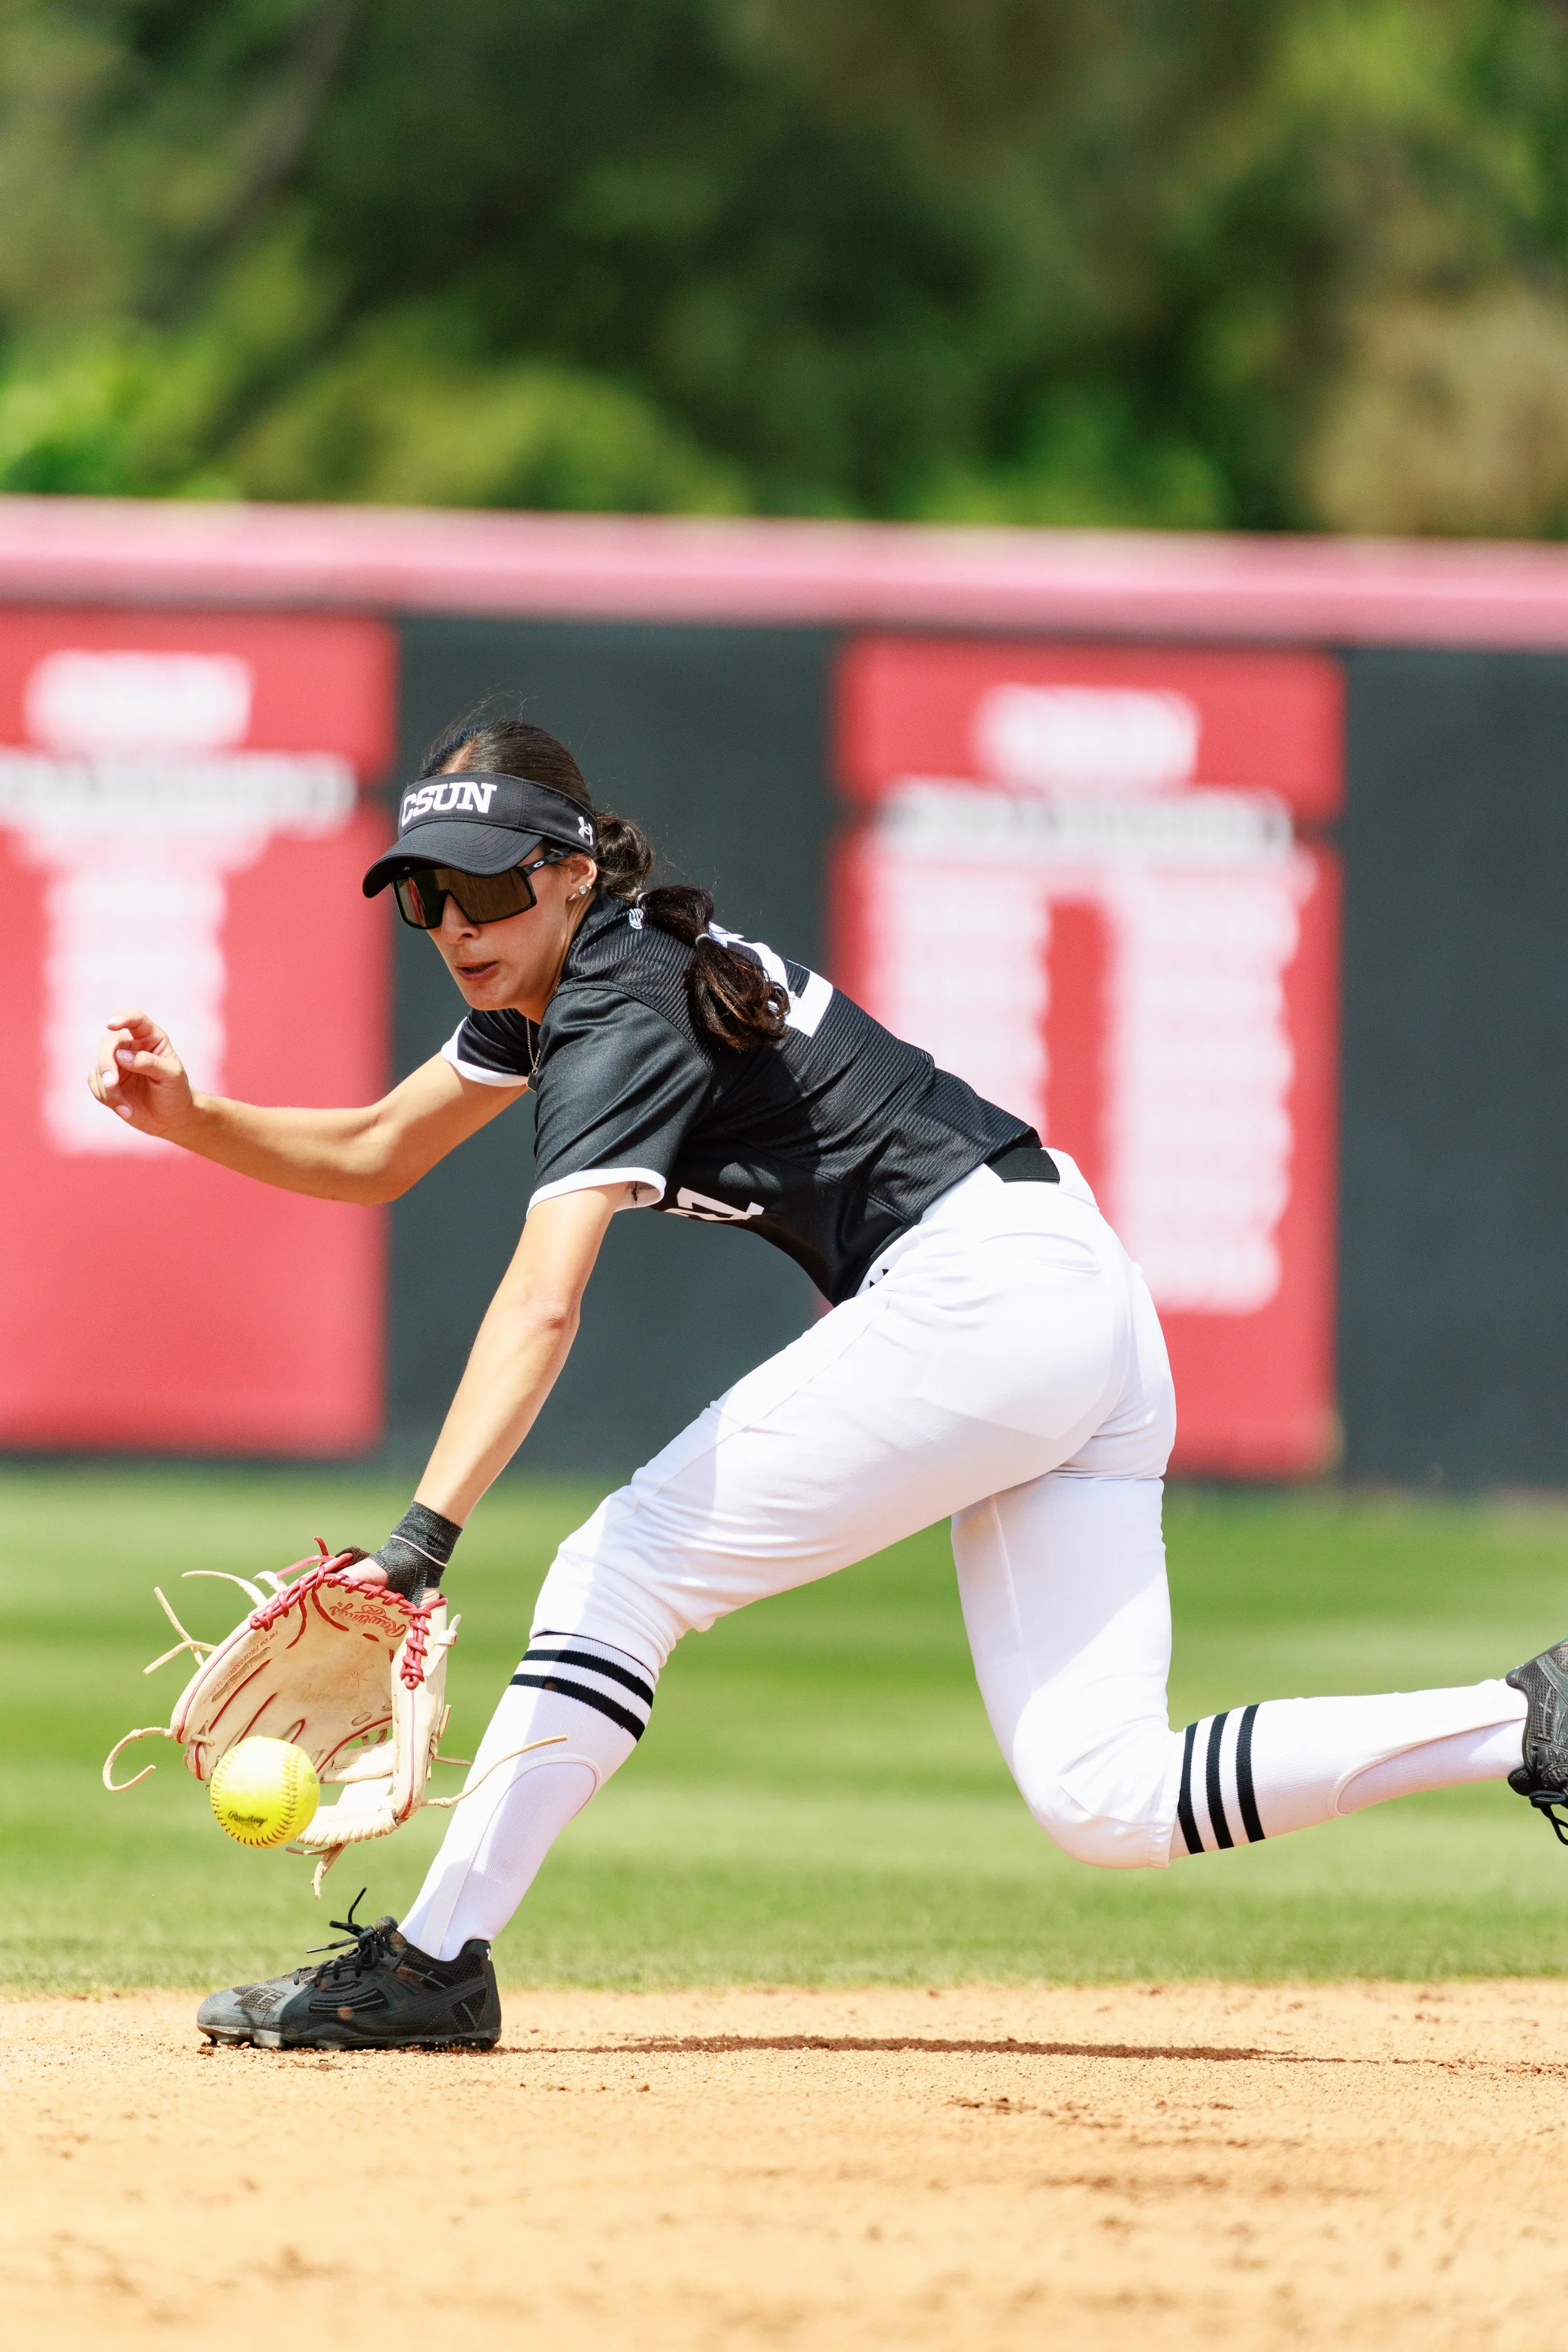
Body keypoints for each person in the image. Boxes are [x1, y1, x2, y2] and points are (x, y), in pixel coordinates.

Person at [92, 713, 1568, 2051]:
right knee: (1105, 1798)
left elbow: (541, 1301)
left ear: (568, 871)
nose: (453, 924)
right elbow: (375, 1152)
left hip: (989, 1292)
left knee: (617, 1570)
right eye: (423, 895)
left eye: (482, 889)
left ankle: (432, 1961)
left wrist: (420, 1542)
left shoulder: (616, 1002)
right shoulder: (559, 984)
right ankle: (1531, 1722)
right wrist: (193, 1116)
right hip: (1067, 1295)